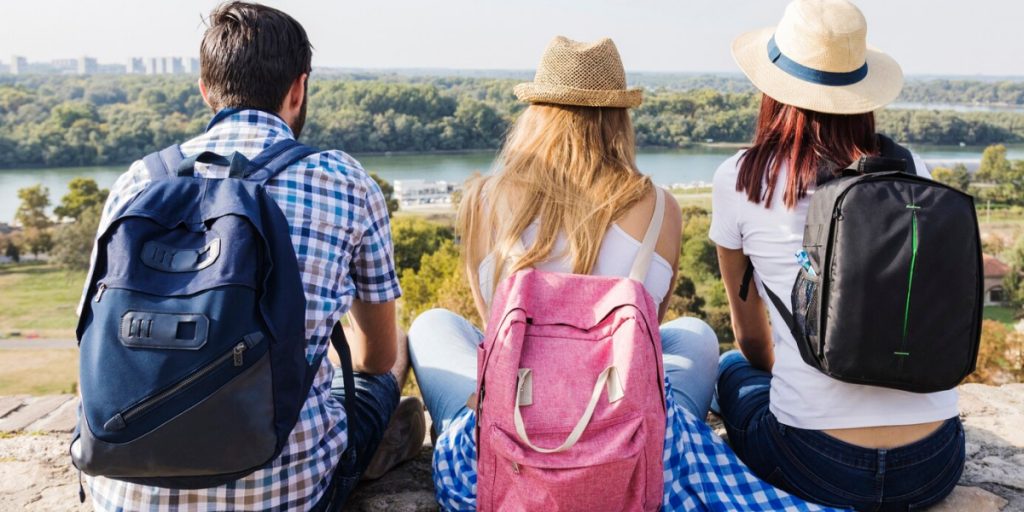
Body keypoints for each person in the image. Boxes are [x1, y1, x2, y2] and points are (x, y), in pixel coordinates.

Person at [409, 36, 837, 512]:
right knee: (694, 335)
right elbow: (644, 345)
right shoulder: (660, 207)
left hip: (515, 428)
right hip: (621, 425)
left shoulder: (484, 200)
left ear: (534, 112)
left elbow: (496, 337)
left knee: (433, 326)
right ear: (620, 118)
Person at [80, 3, 424, 510]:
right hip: (283, 496)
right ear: (298, 89)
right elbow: (375, 356)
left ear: (205, 90)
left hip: (121, 489)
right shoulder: (343, 181)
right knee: (391, 359)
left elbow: (91, 335)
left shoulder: (138, 182)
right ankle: (361, 449)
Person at [711, 0, 965, 510]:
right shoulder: (916, 172)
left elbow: (753, 338)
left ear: (773, 91)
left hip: (815, 462)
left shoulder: (742, 179)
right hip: (933, 463)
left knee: (733, 372)